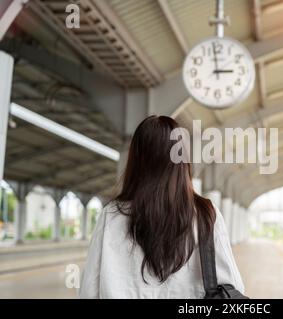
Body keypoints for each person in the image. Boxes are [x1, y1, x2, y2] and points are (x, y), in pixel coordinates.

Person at [79, 115, 244, 298]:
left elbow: (89, 290)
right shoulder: (205, 215)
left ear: (135, 160)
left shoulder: (112, 215)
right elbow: (232, 287)